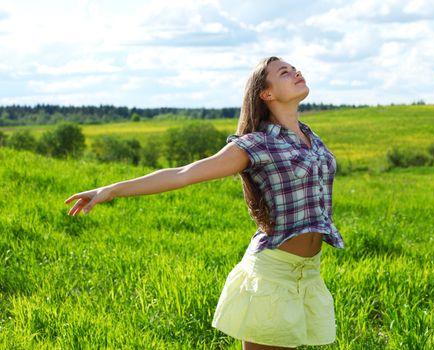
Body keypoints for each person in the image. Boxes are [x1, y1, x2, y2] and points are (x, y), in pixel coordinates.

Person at [64, 56, 345, 349]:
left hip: (310, 273)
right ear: (267, 93)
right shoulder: (256, 144)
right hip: (272, 275)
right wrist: (112, 189)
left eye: (294, 68)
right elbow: (184, 174)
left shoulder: (310, 136)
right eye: (285, 72)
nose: (296, 72)